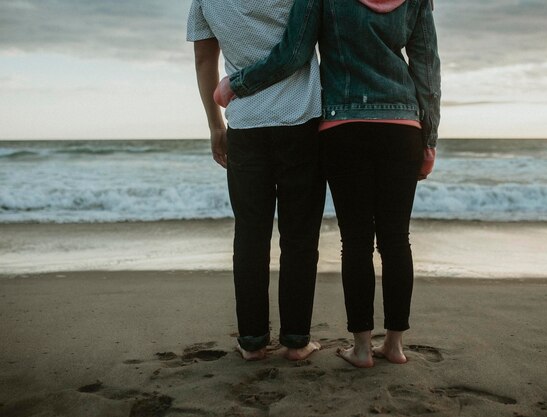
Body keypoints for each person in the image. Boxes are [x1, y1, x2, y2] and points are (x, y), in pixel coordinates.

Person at [215, 0, 441, 367]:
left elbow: (294, 51)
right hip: (402, 124)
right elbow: (427, 69)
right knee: (397, 238)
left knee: (356, 240)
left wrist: (235, 85)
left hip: (341, 124)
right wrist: (429, 139)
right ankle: (395, 346)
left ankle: (363, 349)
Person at [186, 0, 326, 361]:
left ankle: (252, 342)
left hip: (246, 125)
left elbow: (205, 61)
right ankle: (296, 341)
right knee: (299, 237)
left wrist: (216, 125)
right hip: (303, 122)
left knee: (250, 236)